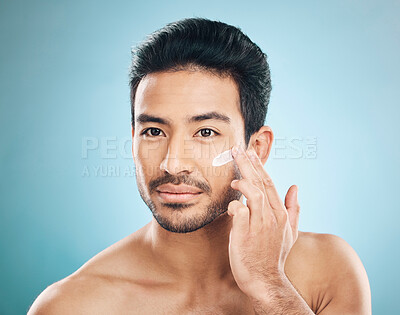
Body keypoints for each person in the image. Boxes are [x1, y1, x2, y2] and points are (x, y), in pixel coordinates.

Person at [28, 17, 371, 314]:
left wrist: (270, 287)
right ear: (133, 139)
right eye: (153, 131)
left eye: (206, 132)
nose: (172, 162)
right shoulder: (71, 306)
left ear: (257, 146)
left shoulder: (328, 272)